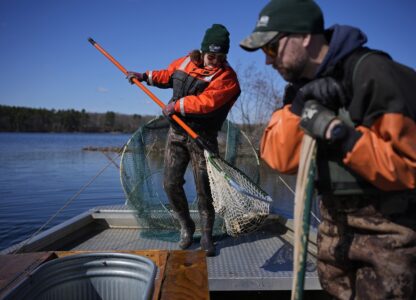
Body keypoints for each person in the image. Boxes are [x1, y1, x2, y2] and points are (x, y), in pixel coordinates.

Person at [240, 0, 416, 299]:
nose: (268, 61)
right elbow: (278, 158)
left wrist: (340, 135)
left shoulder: (374, 73)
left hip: (389, 237)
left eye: (271, 48)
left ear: (304, 37)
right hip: (333, 232)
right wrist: (298, 108)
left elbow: (409, 168)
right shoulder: (299, 87)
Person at [127, 24, 240, 256]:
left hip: (203, 139)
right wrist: (144, 76)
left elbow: (207, 102)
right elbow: (167, 76)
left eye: (220, 57)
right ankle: (186, 226)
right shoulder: (185, 62)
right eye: (211, 56)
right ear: (203, 51)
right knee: (170, 183)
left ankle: (207, 235)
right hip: (176, 134)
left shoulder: (227, 78)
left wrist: (176, 105)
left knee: (204, 190)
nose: (215, 61)